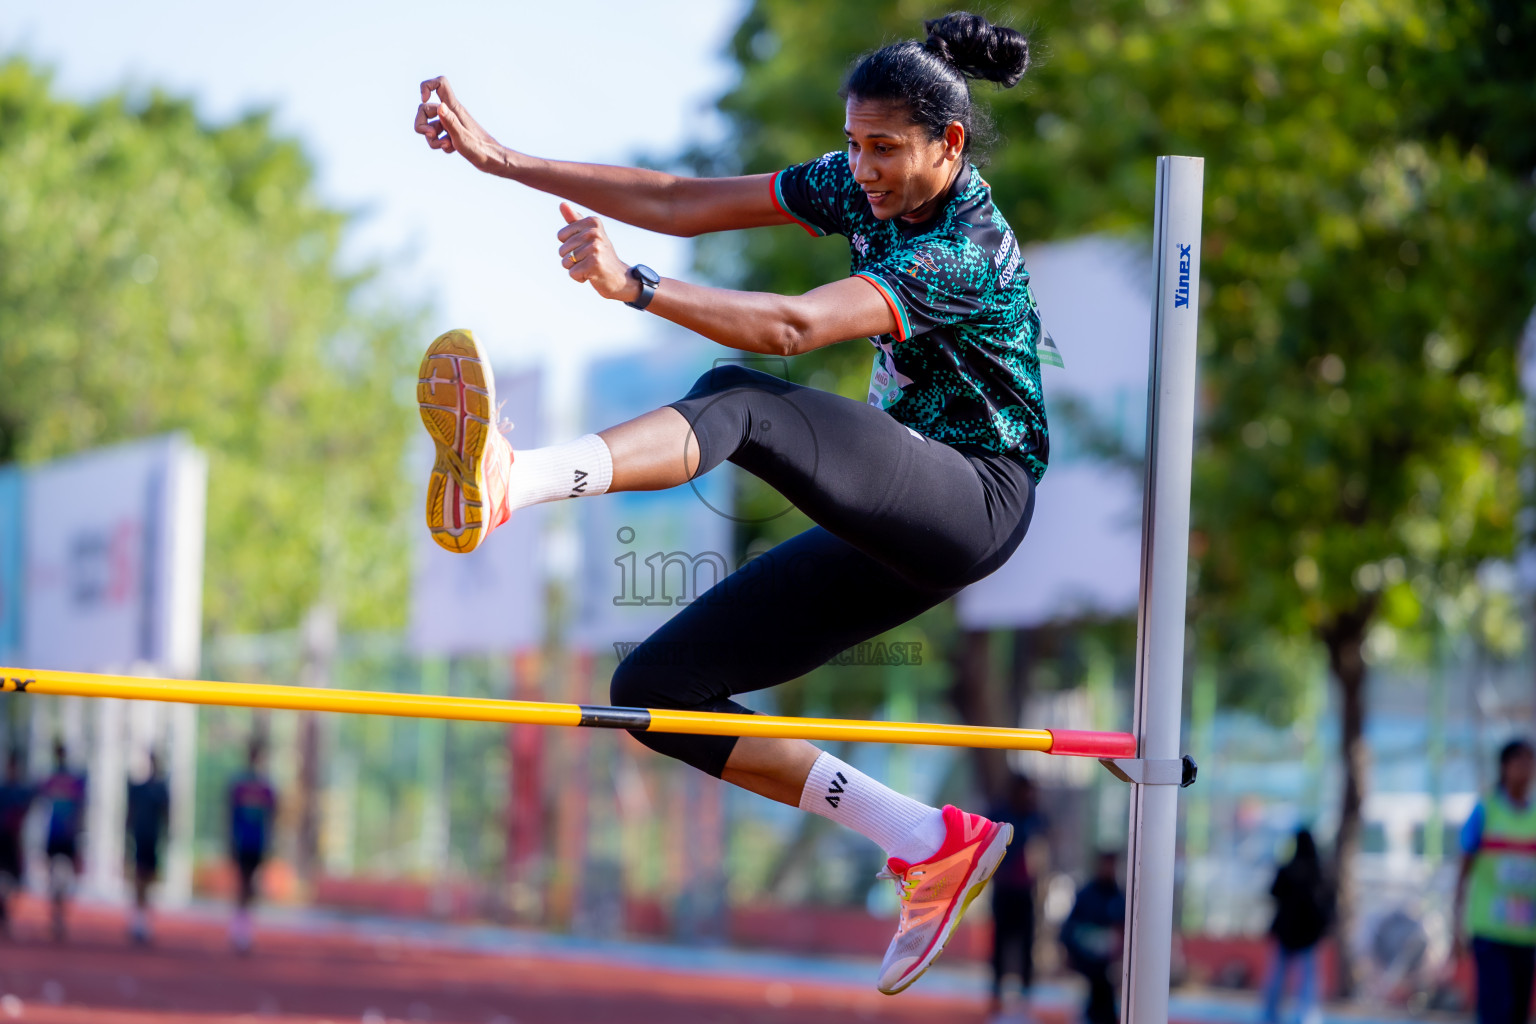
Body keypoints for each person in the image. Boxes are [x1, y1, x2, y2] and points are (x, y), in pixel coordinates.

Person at [412, 10, 1047, 995]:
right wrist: (502, 159)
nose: (863, 169)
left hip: (975, 496)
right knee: (658, 689)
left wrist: (637, 288)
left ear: (948, 144)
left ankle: (517, 479)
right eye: (853, 145)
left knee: (742, 398)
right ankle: (930, 839)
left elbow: (793, 327)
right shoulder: (860, 184)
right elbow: (681, 199)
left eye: (884, 149)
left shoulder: (963, 251)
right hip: (899, 515)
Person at [1456, 737, 1536, 1024]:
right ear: (1504, 767)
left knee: (1518, 1013)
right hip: (1490, 931)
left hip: (1526, 934)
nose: (1526, 769)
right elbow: (1463, 870)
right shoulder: (1485, 811)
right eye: (1520, 761)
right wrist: (1456, 923)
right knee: (1496, 1011)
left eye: (1530, 762)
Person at [987, 774, 1049, 1017]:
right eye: (1025, 790)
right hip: (1004, 890)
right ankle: (996, 997)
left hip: (1026, 891)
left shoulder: (1035, 816)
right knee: (1000, 945)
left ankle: (1025, 998)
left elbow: (1042, 848)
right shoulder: (1001, 814)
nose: (1028, 795)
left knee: (1026, 946)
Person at [1261, 827, 1333, 1024]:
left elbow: (1274, 893)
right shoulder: (1318, 873)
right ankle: (1306, 1018)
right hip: (1306, 934)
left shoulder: (1289, 869)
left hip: (1290, 932)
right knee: (1307, 982)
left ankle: (1270, 1017)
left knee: (1278, 979)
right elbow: (1328, 902)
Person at [1061, 850, 1126, 1024]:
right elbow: (1068, 929)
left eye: (1112, 865)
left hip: (1110, 964)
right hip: (1085, 962)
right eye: (1106, 864)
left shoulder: (1119, 897)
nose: (1109, 869)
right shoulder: (1086, 895)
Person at [227, 739, 277, 954]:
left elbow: (272, 817)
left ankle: (245, 926)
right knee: (243, 883)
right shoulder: (238, 785)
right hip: (242, 840)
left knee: (252, 885)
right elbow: (229, 814)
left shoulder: (267, 787)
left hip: (258, 842)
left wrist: (270, 842)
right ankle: (239, 928)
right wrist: (230, 839)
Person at [38, 740, 86, 942]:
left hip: (68, 835)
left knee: (68, 876)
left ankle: (61, 908)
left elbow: (80, 808)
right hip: (53, 833)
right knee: (52, 875)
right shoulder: (49, 778)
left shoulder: (75, 780)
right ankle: (56, 912)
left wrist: (78, 831)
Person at [125, 750, 171, 945]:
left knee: (149, 879)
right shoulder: (139, 788)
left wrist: (167, 835)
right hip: (140, 837)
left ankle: (143, 917)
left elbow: (166, 814)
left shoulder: (161, 790)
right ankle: (138, 919)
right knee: (138, 877)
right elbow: (130, 812)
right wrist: (127, 835)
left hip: (153, 839)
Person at [0, 752, 36, 938]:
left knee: (16, 880)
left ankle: (4, 908)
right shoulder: (3, 790)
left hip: (14, 839)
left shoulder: (22, 791)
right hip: (2, 839)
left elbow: (30, 803)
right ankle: (3, 911)